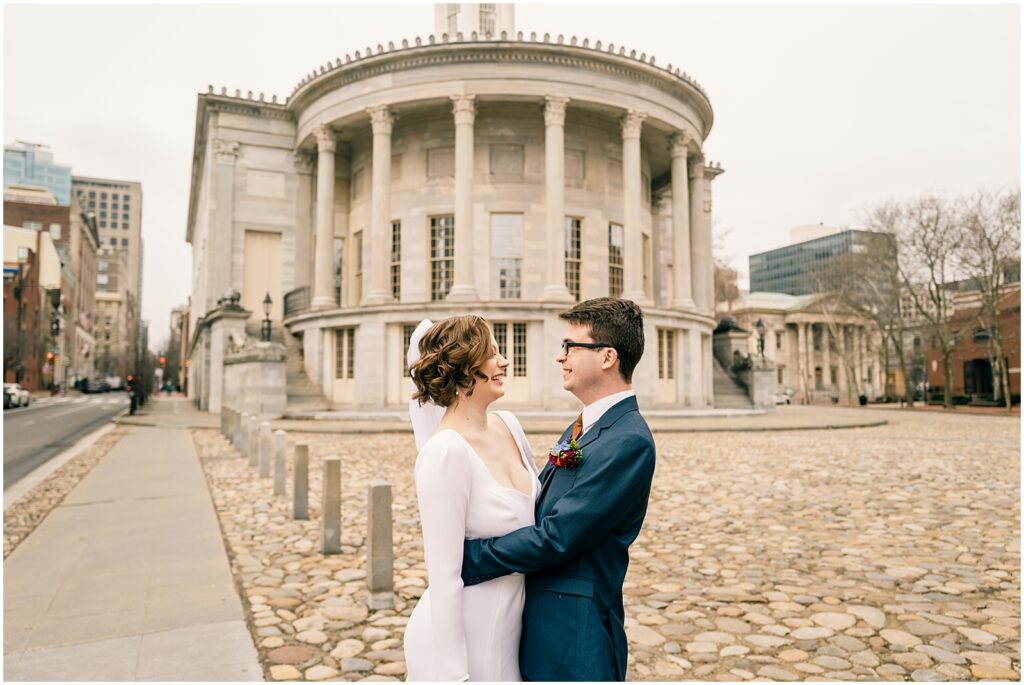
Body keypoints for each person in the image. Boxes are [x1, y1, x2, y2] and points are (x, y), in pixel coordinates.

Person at [461, 297, 656, 681]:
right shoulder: (587, 424)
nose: (560, 356)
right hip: (539, 620)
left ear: (607, 357)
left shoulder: (628, 440)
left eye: (570, 346)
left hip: (574, 633)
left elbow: (558, 537)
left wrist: (471, 558)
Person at [403, 315, 539, 681]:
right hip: (466, 640)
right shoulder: (445, 453)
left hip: (512, 630)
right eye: (491, 354)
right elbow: (444, 578)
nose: (504, 362)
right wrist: (454, 675)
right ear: (463, 370)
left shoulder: (509, 424)